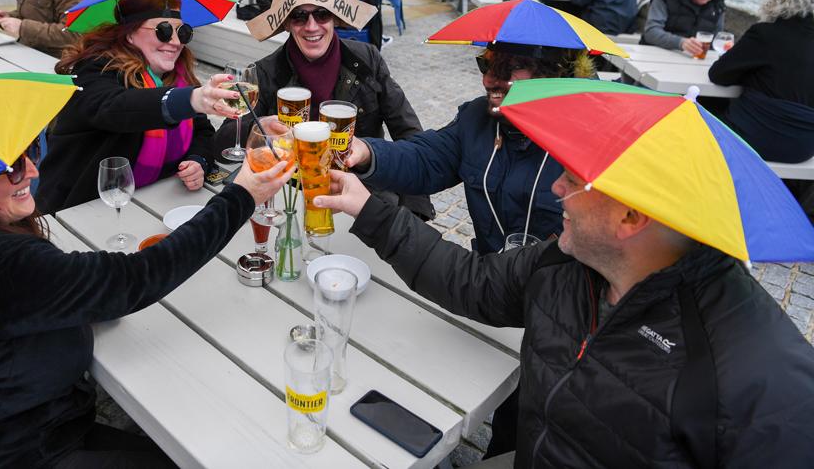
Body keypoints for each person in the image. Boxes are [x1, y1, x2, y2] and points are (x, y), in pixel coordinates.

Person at [0, 113, 290, 468]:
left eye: (31, 151)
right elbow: (139, 277)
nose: (33, 169)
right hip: (10, 451)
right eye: (13, 164)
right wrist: (241, 194)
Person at [316, 168, 814, 468]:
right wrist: (369, 210)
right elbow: (471, 281)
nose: (554, 187)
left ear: (631, 217)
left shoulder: (758, 372)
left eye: (574, 180)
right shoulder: (567, 263)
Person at [224, 0, 434, 220]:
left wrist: (416, 215)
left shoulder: (367, 59)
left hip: (365, 193)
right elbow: (224, 140)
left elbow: (411, 137)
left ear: (335, 16)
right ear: (286, 22)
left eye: (322, 14)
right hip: (292, 197)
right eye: (299, 15)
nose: (311, 26)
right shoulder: (266, 71)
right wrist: (259, 129)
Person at [345, 45, 593, 256]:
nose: (487, 80)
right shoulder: (476, 119)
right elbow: (426, 160)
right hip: (489, 282)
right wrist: (367, 152)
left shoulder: (590, 142)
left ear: (550, 75)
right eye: (486, 65)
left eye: (505, 69)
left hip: (555, 294)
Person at [36, 0, 229, 213]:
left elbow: (202, 131)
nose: (175, 42)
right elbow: (116, 108)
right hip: (79, 207)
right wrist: (190, 99)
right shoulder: (95, 69)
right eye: (163, 30)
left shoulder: (178, 76)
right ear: (129, 34)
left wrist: (198, 160)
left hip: (154, 201)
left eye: (183, 32)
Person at [709, 0, 814, 163]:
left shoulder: (767, 33)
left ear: (777, 1)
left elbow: (718, 75)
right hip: (802, 149)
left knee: (700, 107)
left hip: (757, 136)